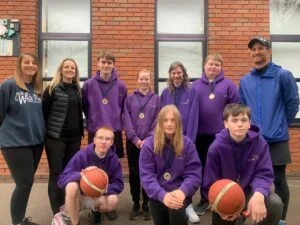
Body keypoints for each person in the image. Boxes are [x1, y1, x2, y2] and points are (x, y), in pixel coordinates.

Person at [239, 36, 299, 225]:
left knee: (279, 180)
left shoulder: (283, 75)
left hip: (277, 139)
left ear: (269, 51)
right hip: (253, 140)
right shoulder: (245, 80)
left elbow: (293, 103)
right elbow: (242, 108)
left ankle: (280, 220)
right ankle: (253, 213)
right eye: (253, 49)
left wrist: (281, 123)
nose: (256, 52)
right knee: (250, 179)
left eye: (260, 48)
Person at [203, 103, 283, 225]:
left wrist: (259, 194)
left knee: (275, 203)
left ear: (249, 123)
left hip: (250, 191)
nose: (240, 124)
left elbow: (264, 174)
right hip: (227, 195)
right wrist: (219, 207)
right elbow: (211, 184)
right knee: (233, 220)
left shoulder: (260, 143)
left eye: (244, 120)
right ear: (226, 124)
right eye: (234, 120)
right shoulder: (216, 148)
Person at [192, 53, 240, 215]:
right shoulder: (195, 86)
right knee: (204, 168)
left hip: (222, 137)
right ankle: (205, 199)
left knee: (223, 167)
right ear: (205, 66)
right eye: (211, 64)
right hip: (200, 136)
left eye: (217, 65)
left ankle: (224, 198)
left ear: (221, 67)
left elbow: (235, 109)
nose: (213, 67)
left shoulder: (228, 85)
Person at [0, 53, 45, 225]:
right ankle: (17, 222)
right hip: (15, 144)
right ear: (19, 64)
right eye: (26, 62)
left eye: (34, 63)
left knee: (26, 183)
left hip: (35, 142)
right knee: (24, 183)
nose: (31, 65)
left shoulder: (37, 88)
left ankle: (20, 219)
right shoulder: (9, 85)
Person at [82, 50, 127, 220]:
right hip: (96, 130)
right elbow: (85, 107)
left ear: (113, 65)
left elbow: (122, 108)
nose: (106, 65)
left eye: (109, 62)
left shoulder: (121, 85)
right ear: (98, 63)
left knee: (111, 167)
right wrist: (94, 119)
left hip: (114, 131)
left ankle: (108, 204)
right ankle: (94, 207)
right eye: (103, 62)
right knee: (94, 168)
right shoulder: (88, 85)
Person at [139, 105, 202, 225]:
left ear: (178, 122)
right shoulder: (148, 145)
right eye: (165, 120)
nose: (169, 124)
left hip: (180, 194)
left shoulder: (187, 143)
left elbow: (194, 174)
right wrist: (162, 196)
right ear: (160, 122)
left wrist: (183, 191)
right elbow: (147, 176)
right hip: (157, 195)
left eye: (173, 120)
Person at [53, 126, 124, 225]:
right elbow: (61, 180)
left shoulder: (114, 159)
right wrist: (81, 175)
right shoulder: (82, 155)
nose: (103, 141)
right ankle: (75, 222)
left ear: (112, 142)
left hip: (98, 197)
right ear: (94, 140)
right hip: (80, 196)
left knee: (113, 200)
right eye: (100, 138)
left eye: (107, 139)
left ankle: (95, 212)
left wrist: (102, 189)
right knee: (71, 186)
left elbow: (119, 184)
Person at [42, 58, 84, 215]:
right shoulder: (52, 88)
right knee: (56, 173)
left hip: (74, 139)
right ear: (61, 69)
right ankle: (56, 211)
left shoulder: (77, 89)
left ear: (75, 72)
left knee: (69, 173)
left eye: (72, 68)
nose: (70, 70)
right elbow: (44, 114)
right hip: (56, 139)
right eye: (67, 67)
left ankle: (68, 207)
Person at [160, 61, 200, 223]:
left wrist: (189, 140)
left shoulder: (192, 91)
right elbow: (162, 117)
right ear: (170, 75)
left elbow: (193, 117)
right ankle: (169, 199)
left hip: (185, 139)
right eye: (173, 73)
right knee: (172, 170)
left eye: (179, 73)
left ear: (183, 74)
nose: (176, 76)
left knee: (187, 172)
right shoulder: (165, 92)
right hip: (168, 139)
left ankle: (187, 204)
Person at [124, 69, 162, 220]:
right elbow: (126, 120)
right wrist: (135, 139)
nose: (144, 82)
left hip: (150, 143)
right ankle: (135, 202)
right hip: (133, 143)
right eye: (142, 79)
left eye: (147, 79)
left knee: (148, 172)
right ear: (137, 80)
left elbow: (158, 121)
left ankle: (146, 203)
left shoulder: (156, 99)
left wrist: (148, 139)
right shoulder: (129, 99)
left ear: (150, 80)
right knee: (134, 173)